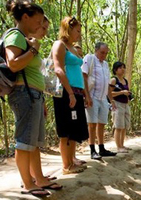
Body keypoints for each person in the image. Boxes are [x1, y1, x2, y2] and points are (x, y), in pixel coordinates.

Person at [5, 1, 61, 197]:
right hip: (23, 93)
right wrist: (34, 50)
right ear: (26, 18)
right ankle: (27, 183)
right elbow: (12, 64)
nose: (39, 26)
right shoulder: (15, 36)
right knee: (24, 141)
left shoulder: (26, 39)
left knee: (33, 141)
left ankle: (39, 178)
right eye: (37, 21)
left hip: (34, 94)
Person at [52, 16, 89, 174]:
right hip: (66, 92)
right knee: (66, 129)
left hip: (77, 91)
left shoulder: (73, 47)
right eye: (77, 31)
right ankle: (66, 165)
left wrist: (83, 94)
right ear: (68, 28)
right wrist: (70, 93)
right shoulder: (59, 45)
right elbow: (58, 69)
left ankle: (71, 160)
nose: (79, 34)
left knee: (74, 128)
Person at [82, 42, 117, 159]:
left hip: (103, 99)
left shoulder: (105, 64)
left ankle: (101, 148)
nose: (104, 55)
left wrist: (111, 100)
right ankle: (92, 149)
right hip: (92, 96)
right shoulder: (89, 58)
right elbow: (84, 76)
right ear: (96, 50)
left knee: (102, 123)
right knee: (92, 124)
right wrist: (87, 96)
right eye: (102, 53)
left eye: (106, 53)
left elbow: (107, 84)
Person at [109, 61, 132, 153]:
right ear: (115, 70)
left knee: (124, 126)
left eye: (124, 67)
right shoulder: (114, 80)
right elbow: (109, 93)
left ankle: (122, 145)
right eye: (120, 68)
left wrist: (128, 95)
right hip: (117, 104)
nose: (123, 69)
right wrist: (122, 92)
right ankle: (118, 147)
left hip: (125, 104)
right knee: (118, 126)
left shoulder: (125, 80)